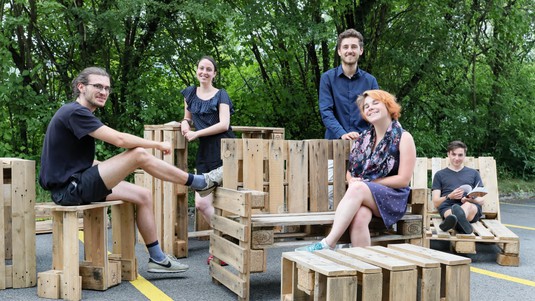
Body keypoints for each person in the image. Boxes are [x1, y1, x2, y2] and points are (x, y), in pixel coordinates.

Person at [38, 67, 218, 273]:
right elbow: (120, 139)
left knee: (142, 194)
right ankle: (198, 182)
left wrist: (114, 168)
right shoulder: (75, 112)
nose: (103, 92)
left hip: (73, 183)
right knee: (138, 154)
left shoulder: (79, 114)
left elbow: (81, 162)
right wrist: (157, 145)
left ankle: (157, 259)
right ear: (81, 87)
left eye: (106, 88)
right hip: (68, 190)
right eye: (97, 86)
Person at [297, 89, 416, 251]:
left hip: (393, 197)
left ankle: (328, 244)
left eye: (375, 103)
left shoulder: (403, 137)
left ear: (388, 106)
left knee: (358, 187)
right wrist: (352, 180)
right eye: (366, 106)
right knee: (359, 217)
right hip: (366, 195)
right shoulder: (363, 139)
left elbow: (403, 179)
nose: (370, 108)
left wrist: (366, 183)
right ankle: (364, 268)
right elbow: (351, 172)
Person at [318, 29, 379, 207]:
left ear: (361, 50)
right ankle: (334, 232)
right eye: (345, 47)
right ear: (339, 51)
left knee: (362, 191)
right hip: (333, 145)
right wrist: (342, 133)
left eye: (354, 46)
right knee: (331, 192)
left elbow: (375, 114)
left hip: (365, 147)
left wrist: (365, 138)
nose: (349, 50)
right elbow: (326, 111)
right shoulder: (327, 78)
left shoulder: (370, 81)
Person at [178, 55, 235, 223]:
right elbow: (187, 117)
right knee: (201, 204)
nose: (204, 72)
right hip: (204, 154)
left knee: (229, 201)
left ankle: (227, 241)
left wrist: (196, 133)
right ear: (197, 70)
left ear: (214, 74)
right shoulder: (189, 93)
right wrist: (184, 123)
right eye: (201, 68)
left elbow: (224, 124)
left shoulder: (221, 95)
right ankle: (225, 238)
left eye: (209, 69)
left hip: (224, 150)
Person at [431, 141, 485, 234]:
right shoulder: (439, 175)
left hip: (471, 207)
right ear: (448, 154)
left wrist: (470, 200)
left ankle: (452, 222)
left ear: (464, 156)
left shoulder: (473, 173)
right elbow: (436, 202)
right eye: (454, 154)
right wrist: (450, 196)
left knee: (465, 207)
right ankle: (460, 225)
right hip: (448, 206)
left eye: (460, 155)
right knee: (453, 213)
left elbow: (482, 200)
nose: (456, 158)